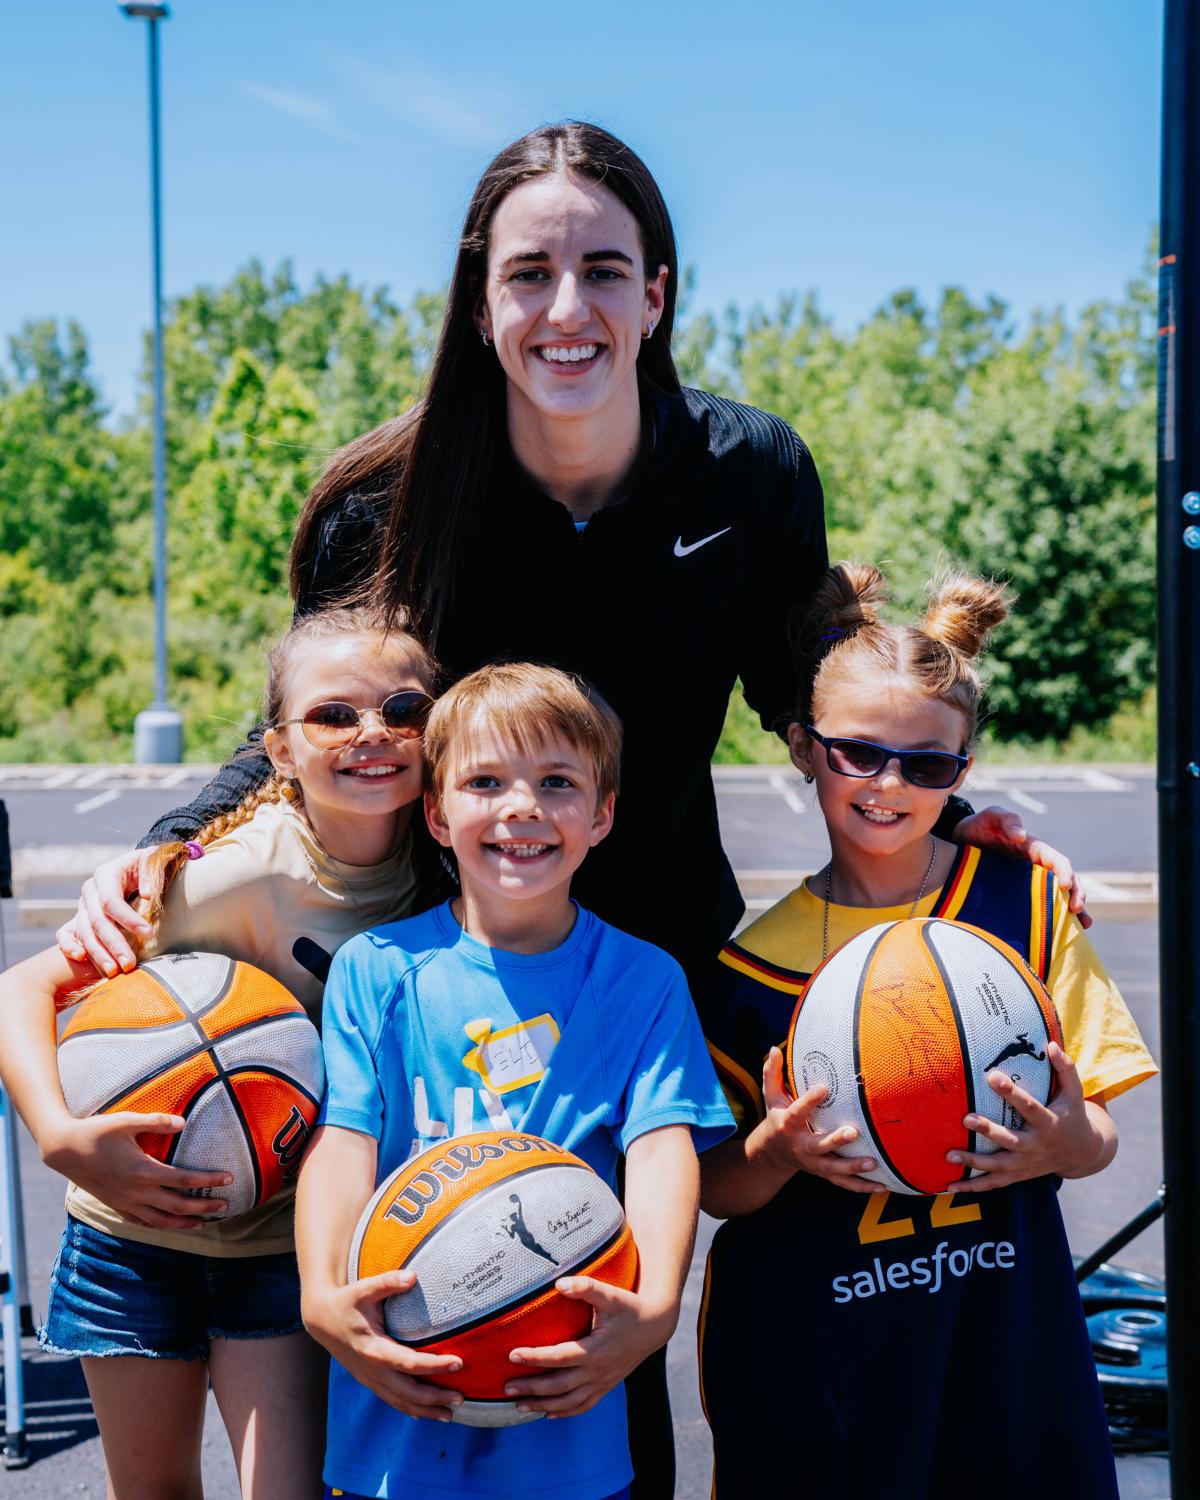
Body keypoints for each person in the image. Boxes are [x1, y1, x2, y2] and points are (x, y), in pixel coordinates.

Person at [55, 122, 1087, 1494]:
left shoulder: (751, 473)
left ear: (658, 292)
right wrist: (159, 850)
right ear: (480, 296)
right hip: (445, 960)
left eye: (605, 270)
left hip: (649, 952)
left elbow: (814, 706)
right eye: (529, 272)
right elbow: (325, 710)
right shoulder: (389, 502)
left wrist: (956, 817)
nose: (566, 309)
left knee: (609, 1319)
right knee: (413, 1309)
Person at [693, 564, 1156, 1500]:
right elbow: (717, 1188)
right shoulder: (741, 975)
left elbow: (1096, 1129)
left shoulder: (1023, 903)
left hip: (999, 1340)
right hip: (818, 1355)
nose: (888, 784)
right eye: (857, 753)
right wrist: (778, 1152)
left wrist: (1067, 1143)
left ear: (963, 771)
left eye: (927, 764)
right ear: (802, 747)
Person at [0, 606, 438, 1500]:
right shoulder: (228, 873)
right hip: (130, 1234)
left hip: (284, 1246)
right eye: (333, 716)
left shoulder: (447, 877)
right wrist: (56, 1134)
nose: (372, 735)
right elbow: (22, 988)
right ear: (277, 749)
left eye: (402, 709)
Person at [296, 663, 734, 1500]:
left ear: (603, 815)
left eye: (558, 782)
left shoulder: (641, 981)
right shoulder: (379, 969)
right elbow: (343, 1141)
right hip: (397, 1409)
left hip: (565, 1408)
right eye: (486, 781)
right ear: (436, 812)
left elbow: (663, 1151)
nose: (522, 807)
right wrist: (324, 1297)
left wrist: (655, 1310)